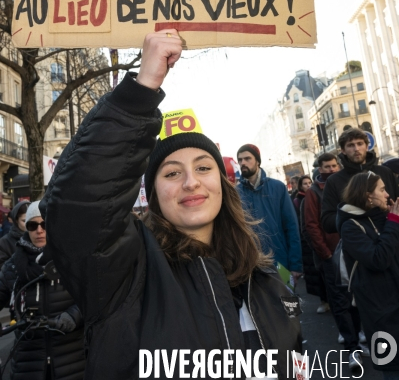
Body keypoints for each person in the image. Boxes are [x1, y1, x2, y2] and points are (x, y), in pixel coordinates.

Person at [41, 30, 302, 380]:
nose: (191, 182)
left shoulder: (269, 285)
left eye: (203, 168)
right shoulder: (125, 278)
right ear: (153, 194)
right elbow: (77, 205)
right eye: (172, 173)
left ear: (223, 186)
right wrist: (140, 91)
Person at [0, 201, 85, 380]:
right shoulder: (12, 267)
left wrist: (72, 316)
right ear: (26, 228)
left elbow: (92, 299)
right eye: (33, 225)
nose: (39, 230)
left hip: (71, 362)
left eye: (45, 224)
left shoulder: (72, 261)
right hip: (27, 363)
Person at [303, 153, 366, 358]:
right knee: (341, 301)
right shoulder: (314, 192)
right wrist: (327, 254)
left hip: (352, 250)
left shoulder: (345, 184)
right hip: (331, 255)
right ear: (319, 169)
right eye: (326, 167)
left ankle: (357, 337)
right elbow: (312, 226)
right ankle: (351, 345)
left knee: (356, 296)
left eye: (333, 166)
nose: (331, 170)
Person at [337, 172, 399, 378]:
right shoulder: (350, 226)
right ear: (367, 196)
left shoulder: (382, 216)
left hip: (393, 299)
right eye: (381, 190)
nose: (387, 194)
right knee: (392, 366)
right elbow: (378, 259)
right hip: (379, 308)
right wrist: (393, 222)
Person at [236, 144, 303, 283]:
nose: (243, 163)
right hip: (251, 266)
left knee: (287, 302)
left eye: (247, 158)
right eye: (240, 160)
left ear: (258, 161)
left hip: (280, 262)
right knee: (258, 304)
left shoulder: (278, 187)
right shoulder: (235, 194)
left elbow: (291, 226)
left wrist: (295, 265)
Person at [321, 128, 399, 233]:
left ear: (367, 147)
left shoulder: (385, 172)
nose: (356, 149)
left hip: (392, 236)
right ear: (343, 150)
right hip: (358, 242)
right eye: (350, 145)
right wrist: (355, 214)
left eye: (360, 144)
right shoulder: (334, 181)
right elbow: (327, 221)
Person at [0, 200, 30, 268]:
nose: (28, 224)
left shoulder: (42, 237)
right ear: (16, 220)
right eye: (24, 221)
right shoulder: (4, 243)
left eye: (31, 220)